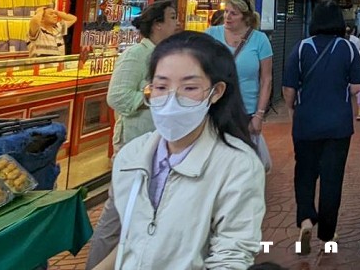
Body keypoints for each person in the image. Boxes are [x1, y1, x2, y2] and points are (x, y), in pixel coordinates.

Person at [89, 33, 265, 270]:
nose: (172, 99)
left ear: (216, 92)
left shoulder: (238, 165)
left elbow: (231, 258)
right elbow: (132, 243)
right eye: (161, 86)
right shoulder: (130, 157)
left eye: (189, 87)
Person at [85, 0, 179, 269]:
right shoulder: (136, 55)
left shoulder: (163, 55)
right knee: (116, 215)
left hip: (156, 144)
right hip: (133, 145)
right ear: (157, 24)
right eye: (172, 18)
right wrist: (152, 94)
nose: (177, 22)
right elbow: (117, 97)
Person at [282, 0, 360, 255]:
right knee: (332, 179)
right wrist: (340, 89)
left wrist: (294, 109)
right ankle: (328, 232)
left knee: (305, 174)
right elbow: (358, 85)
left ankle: (306, 219)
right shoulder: (347, 48)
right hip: (338, 126)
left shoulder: (301, 47)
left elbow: (288, 89)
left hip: (306, 123)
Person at [206, 0, 273, 149]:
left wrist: (259, 115)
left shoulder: (260, 40)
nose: (227, 17)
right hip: (215, 108)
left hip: (245, 111)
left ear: (246, 17)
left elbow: (266, 80)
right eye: (226, 11)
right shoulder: (211, 34)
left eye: (234, 13)